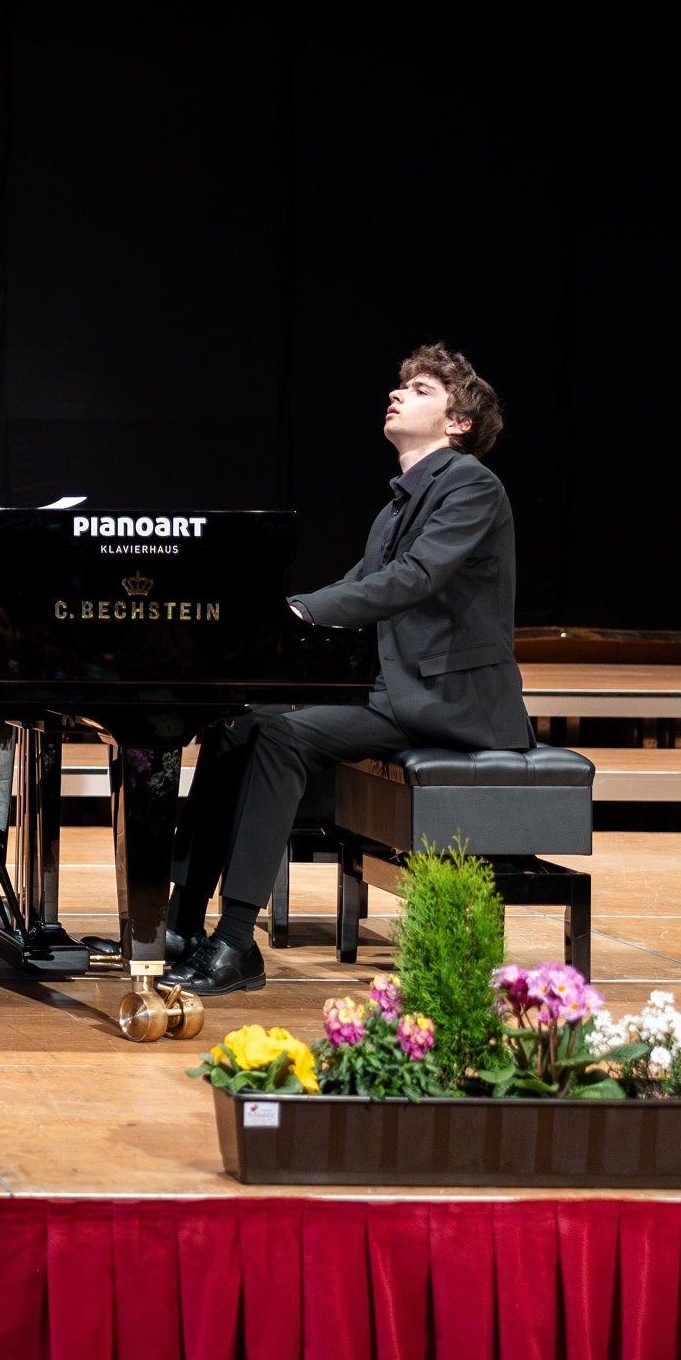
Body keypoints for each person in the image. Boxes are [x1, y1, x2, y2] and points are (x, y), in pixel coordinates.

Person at [163, 343, 532, 998]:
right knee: (234, 723)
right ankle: (180, 923)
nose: (396, 394)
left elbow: (411, 579)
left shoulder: (472, 485)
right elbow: (356, 585)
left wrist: (297, 612)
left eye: (419, 390)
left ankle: (236, 940)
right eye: (401, 385)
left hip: (449, 700)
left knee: (282, 735)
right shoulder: (395, 508)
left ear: (458, 423)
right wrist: (265, 619)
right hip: (392, 691)